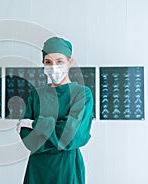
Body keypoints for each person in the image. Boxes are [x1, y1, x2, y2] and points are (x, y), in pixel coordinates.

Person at [17, 37, 93, 184]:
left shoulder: (81, 94)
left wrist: (35, 124)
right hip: (37, 169)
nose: (54, 66)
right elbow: (29, 141)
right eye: (48, 62)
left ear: (69, 62)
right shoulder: (36, 95)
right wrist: (58, 135)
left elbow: (72, 136)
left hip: (66, 167)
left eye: (59, 61)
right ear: (43, 64)